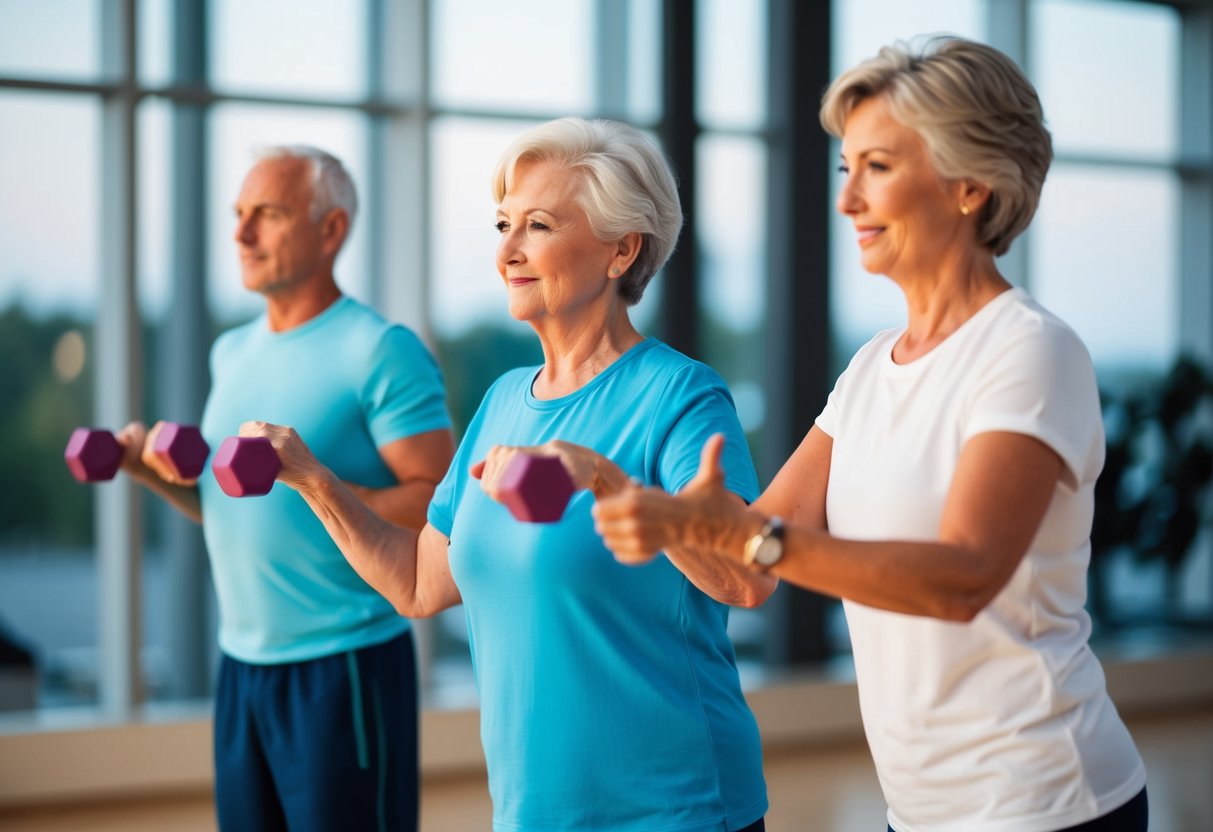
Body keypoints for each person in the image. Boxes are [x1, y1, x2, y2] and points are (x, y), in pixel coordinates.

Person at [592, 36, 1148, 832]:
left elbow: (959, 578)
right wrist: (638, 500)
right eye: (843, 169)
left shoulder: (1030, 351)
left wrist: (753, 541)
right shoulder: (867, 370)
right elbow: (744, 571)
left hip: (1043, 801)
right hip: (918, 810)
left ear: (969, 185)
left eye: (877, 168)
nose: (846, 200)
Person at [242, 117, 773, 832]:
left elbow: (744, 581)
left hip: (677, 809)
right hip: (531, 814)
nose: (508, 252)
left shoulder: (681, 396)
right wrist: (313, 480)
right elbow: (419, 583)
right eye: (502, 225)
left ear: (622, 250)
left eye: (539, 226)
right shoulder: (502, 401)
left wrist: (608, 483)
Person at [116, 146, 454, 832]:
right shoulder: (231, 352)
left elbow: (436, 505)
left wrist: (316, 480)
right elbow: (233, 505)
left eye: (265, 215)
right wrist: (149, 474)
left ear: (330, 230)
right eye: (239, 215)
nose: (240, 234)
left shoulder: (380, 348)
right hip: (242, 666)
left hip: (345, 664)